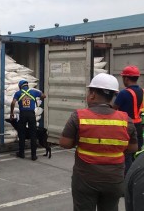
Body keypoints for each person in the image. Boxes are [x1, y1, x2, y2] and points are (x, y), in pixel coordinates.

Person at [60, 73, 138, 211]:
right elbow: (132, 148)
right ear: (113, 96)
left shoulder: (78, 116)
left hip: (85, 179)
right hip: (114, 180)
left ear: (93, 94)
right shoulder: (126, 120)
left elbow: (65, 143)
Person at [113, 65, 143, 174]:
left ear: (126, 78)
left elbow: (113, 109)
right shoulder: (141, 91)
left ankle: (127, 179)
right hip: (139, 125)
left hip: (127, 126)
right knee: (136, 152)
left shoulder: (123, 93)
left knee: (126, 154)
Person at [10, 79, 46, 161]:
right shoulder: (33, 92)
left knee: (21, 134)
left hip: (23, 114)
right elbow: (44, 96)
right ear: (27, 85)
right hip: (31, 114)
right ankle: (33, 155)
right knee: (33, 134)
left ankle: (21, 153)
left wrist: (12, 112)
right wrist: (38, 95)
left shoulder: (18, 93)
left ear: (20, 86)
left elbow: (13, 103)